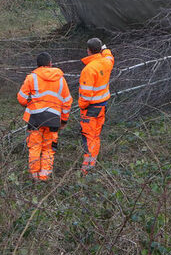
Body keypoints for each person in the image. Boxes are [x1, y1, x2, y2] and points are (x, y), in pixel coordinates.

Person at [17, 52, 71, 181]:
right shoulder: (61, 79)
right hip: (53, 119)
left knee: (35, 147)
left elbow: (21, 98)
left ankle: (34, 176)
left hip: (35, 118)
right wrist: (63, 120)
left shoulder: (31, 78)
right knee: (48, 149)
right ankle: (44, 177)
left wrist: (29, 103)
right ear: (50, 64)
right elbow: (67, 101)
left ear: (38, 65)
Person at [78, 38, 114, 175]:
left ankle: (87, 168)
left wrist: (82, 106)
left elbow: (86, 95)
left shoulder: (89, 69)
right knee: (95, 136)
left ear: (88, 50)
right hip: (102, 107)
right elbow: (109, 56)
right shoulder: (107, 62)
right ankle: (92, 163)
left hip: (90, 109)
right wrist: (105, 49)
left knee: (88, 138)